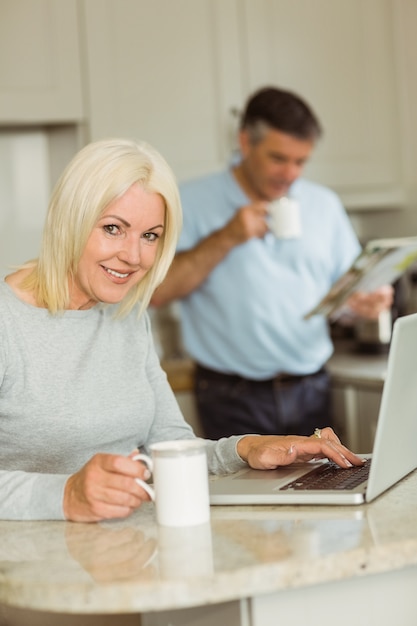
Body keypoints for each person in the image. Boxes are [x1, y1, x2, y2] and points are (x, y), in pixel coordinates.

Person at [0, 138, 365, 523]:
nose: (133, 256)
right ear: (69, 220)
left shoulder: (125, 313)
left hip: (128, 551)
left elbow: (171, 448)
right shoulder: (8, 321)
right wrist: (66, 494)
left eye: (149, 236)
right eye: (112, 228)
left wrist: (248, 447)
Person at [151, 86, 393, 439]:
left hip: (313, 389)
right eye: (278, 158)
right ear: (245, 142)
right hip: (229, 396)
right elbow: (157, 291)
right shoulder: (189, 201)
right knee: (248, 495)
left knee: (324, 492)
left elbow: (341, 299)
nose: (291, 174)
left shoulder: (323, 205)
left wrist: (362, 305)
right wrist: (227, 236)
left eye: (301, 161)